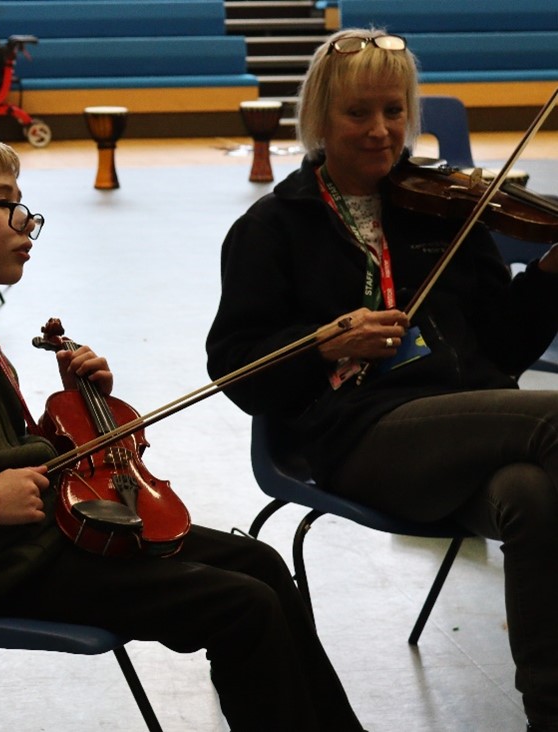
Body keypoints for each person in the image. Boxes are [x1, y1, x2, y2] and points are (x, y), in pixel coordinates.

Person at [0, 124, 365, 732]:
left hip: (40, 538)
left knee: (261, 565)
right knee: (243, 607)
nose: (26, 222)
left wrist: (73, 413)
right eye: (6, 203)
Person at [206, 26, 558, 732]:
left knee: (531, 494)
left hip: (464, 426)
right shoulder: (273, 228)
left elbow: (503, 345)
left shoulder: (447, 210)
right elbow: (236, 370)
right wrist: (321, 344)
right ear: (318, 119)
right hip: (353, 436)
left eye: (394, 112)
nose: (380, 131)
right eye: (358, 113)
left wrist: (549, 279)